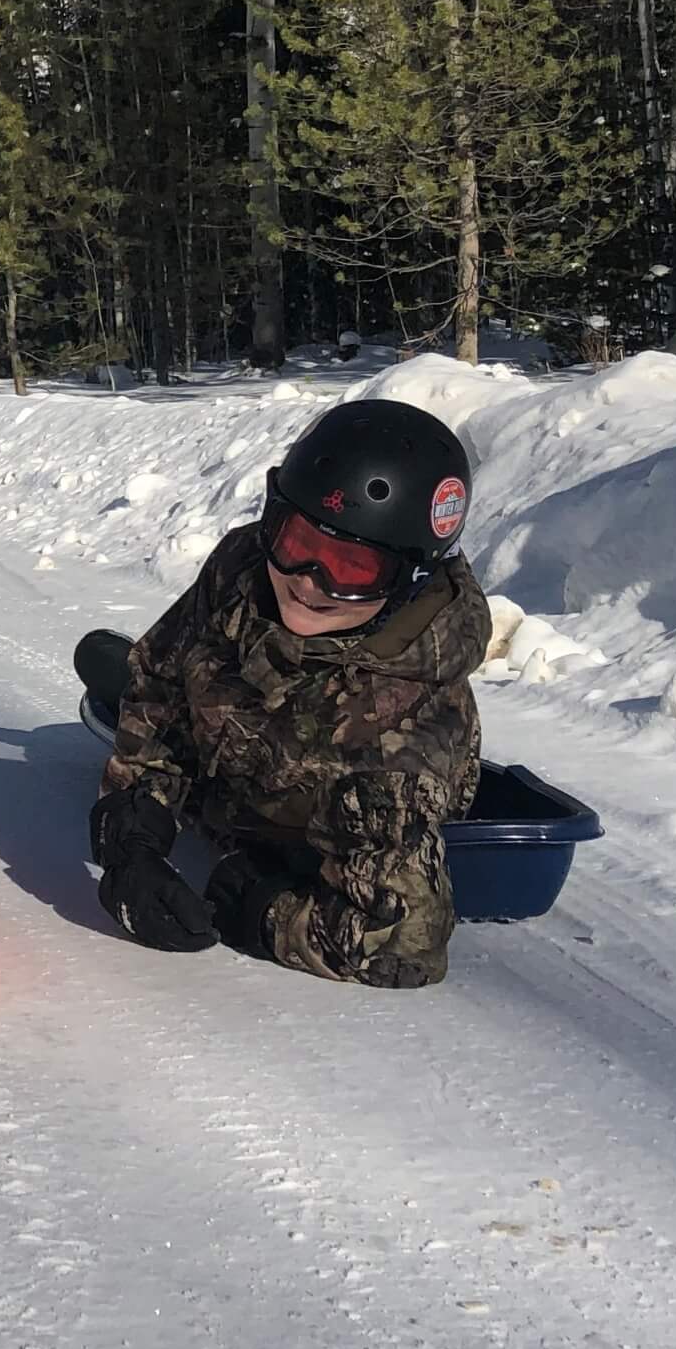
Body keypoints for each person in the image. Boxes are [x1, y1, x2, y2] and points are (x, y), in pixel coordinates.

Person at [90, 397, 491, 989]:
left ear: (408, 579)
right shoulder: (246, 568)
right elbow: (163, 679)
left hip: (313, 822)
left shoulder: (394, 750)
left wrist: (259, 910)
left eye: (350, 569)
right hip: (232, 760)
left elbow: (405, 946)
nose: (307, 582)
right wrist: (134, 827)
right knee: (140, 672)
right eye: (297, 541)